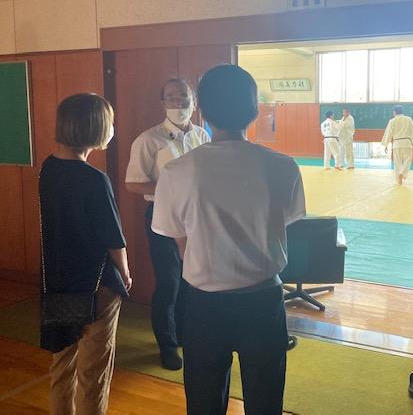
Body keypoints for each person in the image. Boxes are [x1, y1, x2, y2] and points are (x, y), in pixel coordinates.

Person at [152, 65, 306, 415]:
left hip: (204, 303)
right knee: (266, 401)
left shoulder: (178, 171)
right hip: (264, 300)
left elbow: (180, 242)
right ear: (254, 110)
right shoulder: (283, 166)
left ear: (202, 111)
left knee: (204, 402)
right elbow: (283, 224)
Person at [39, 93, 132, 415]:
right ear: (95, 127)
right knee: (93, 373)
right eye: (110, 123)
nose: (112, 129)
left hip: (59, 282)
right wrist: (126, 274)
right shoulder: (95, 179)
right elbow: (114, 240)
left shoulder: (48, 169)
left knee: (62, 365)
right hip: (97, 285)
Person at [125, 78, 210, 370]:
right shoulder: (149, 139)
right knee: (169, 281)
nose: (178, 103)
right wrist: (170, 187)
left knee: (191, 278)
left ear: (194, 101)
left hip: (196, 216)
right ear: (162, 103)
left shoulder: (202, 135)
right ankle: (167, 345)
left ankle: (184, 334)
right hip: (162, 215)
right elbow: (132, 184)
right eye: (171, 97)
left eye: (184, 97)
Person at [381, 105, 413, 184]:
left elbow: (388, 133)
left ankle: (399, 179)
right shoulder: (409, 119)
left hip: (396, 144)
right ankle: (403, 173)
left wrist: (386, 144)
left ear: (394, 112)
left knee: (397, 163)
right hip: (407, 143)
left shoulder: (392, 121)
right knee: (407, 160)